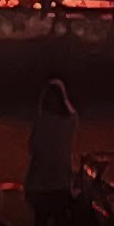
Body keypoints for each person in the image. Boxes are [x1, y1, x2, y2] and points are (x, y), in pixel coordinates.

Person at [26, 74, 80, 202]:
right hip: (61, 181)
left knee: (41, 219)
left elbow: (33, 146)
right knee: (60, 218)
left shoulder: (41, 120)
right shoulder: (70, 120)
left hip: (39, 180)